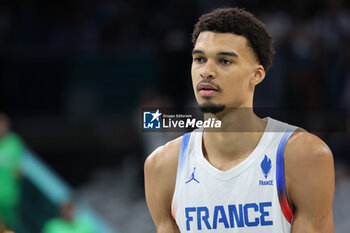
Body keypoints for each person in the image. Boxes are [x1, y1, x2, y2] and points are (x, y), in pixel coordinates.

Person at [144, 7, 334, 233]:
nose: (206, 71)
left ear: (257, 74)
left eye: (224, 61)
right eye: (199, 59)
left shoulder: (302, 156)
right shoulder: (163, 167)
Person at [0, 113, 24, 231]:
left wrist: (19, 172)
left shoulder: (14, 142)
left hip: (9, 197)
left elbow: (18, 166)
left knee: (8, 227)